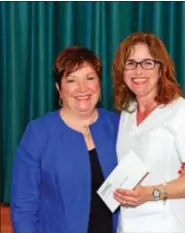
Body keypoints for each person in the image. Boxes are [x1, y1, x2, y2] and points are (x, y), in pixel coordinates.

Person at [10, 46, 120, 233]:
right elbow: (24, 206)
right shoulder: (39, 132)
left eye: (90, 78)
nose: (83, 88)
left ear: (99, 84)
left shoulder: (118, 124)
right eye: (72, 80)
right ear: (59, 88)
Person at [113, 32, 185, 233]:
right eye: (131, 63)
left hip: (169, 225)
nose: (138, 71)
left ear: (161, 68)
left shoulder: (184, 112)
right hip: (128, 225)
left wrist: (151, 193)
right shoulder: (127, 112)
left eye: (147, 63)